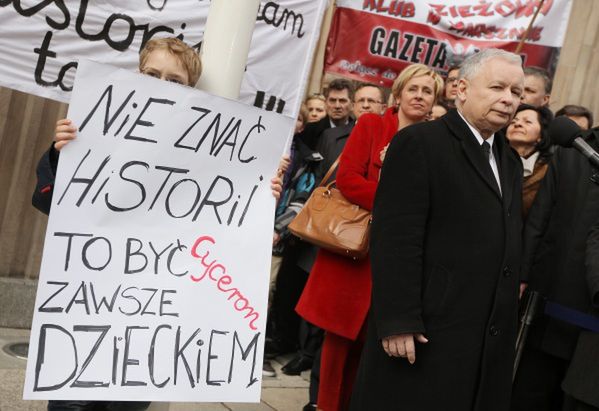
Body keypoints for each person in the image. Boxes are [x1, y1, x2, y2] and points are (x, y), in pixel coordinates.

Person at [32, 37, 282, 411]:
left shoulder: (208, 157)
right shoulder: (96, 128)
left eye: (174, 81)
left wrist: (261, 196)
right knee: (72, 402)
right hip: (89, 302)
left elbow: (224, 229)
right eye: (152, 74)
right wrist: (60, 154)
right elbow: (48, 200)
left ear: (190, 91)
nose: (160, 84)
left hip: (150, 317)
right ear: (137, 73)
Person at [350, 48, 524, 411]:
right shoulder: (421, 143)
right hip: (428, 329)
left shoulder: (507, 158)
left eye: (516, 92)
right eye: (497, 87)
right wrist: (398, 319)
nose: (508, 100)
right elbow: (396, 237)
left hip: (481, 333)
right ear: (461, 88)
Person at [297, 64, 443, 411]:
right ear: (399, 92)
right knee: (337, 345)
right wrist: (398, 206)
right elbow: (348, 179)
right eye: (414, 89)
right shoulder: (372, 125)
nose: (420, 97)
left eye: (428, 92)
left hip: (395, 259)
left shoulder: (435, 142)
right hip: (353, 252)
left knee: (371, 351)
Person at [511, 121, 599, 409]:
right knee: (531, 392)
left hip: (592, 320)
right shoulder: (574, 150)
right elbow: (539, 218)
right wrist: (522, 276)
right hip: (550, 302)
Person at [505, 103, 554, 217]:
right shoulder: (493, 158)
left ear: (541, 135)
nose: (517, 124)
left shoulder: (548, 171)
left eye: (527, 122)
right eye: (513, 121)